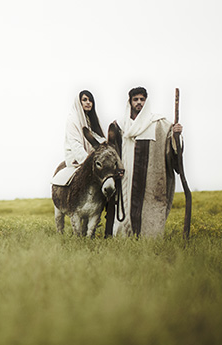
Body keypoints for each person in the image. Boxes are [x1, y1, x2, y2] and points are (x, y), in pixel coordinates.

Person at [112, 87, 183, 237]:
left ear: (146, 101)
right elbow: (112, 150)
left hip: (150, 180)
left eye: (142, 99)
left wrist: (176, 133)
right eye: (135, 99)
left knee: (149, 211)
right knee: (124, 209)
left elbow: (172, 144)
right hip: (126, 177)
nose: (139, 103)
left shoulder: (158, 124)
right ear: (130, 102)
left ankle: (148, 240)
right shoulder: (120, 125)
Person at [52, 90, 106, 186]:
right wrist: (87, 163)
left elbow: (99, 139)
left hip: (92, 157)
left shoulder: (91, 120)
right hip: (77, 158)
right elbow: (75, 144)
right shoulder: (73, 119)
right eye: (84, 100)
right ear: (79, 102)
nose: (88, 102)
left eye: (90, 100)